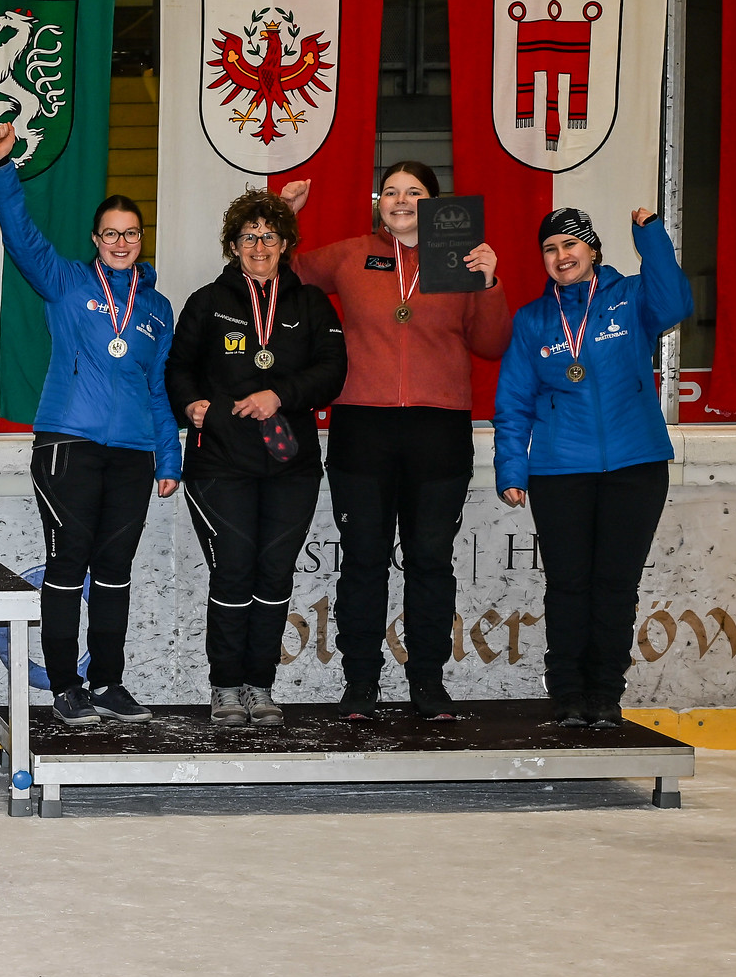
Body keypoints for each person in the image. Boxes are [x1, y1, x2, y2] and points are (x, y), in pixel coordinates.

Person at [281, 165, 507, 721]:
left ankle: (428, 682)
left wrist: (491, 281)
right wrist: (287, 213)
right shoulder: (351, 254)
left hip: (440, 429)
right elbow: (278, 274)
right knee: (363, 561)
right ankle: (360, 683)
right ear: (378, 201)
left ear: (434, 204)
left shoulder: (459, 256)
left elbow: (492, 342)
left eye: (416, 193)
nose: (402, 200)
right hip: (363, 427)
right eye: (392, 192)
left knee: (431, 561)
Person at [0, 123, 181, 725]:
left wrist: (169, 459)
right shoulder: (66, 281)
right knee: (70, 561)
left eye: (131, 233)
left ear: (140, 239)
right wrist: (1, 167)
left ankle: (110, 684)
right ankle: (66, 685)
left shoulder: (155, 308)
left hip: (132, 453)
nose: (121, 242)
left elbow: (158, 388)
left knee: (115, 569)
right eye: (111, 234)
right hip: (68, 445)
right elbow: (20, 235)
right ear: (95, 239)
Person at [494, 207, 690, 729]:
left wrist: (650, 238)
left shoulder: (632, 299)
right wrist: (511, 469)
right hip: (560, 471)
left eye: (571, 245)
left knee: (615, 584)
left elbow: (676, 302)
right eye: (551, 249)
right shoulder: (534, 320)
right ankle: (566, 693)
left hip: (636, 464)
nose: (562, 256)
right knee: (568, 585)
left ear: (594, 249)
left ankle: (605, 691)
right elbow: (513, 401)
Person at [166, 188, 346, 727]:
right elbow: (177, 367)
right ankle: (225, 687)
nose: (259, 245)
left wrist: (281, 395)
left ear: (286, 243)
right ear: (233, 245)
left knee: (273, 576)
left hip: (290, 466)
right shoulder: (207, 302)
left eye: (269, 236)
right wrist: (190, 403)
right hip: (220, 463)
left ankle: (259, 686)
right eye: (249, 237)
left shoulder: (311, 303)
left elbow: (332, 372)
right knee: (233, 572)